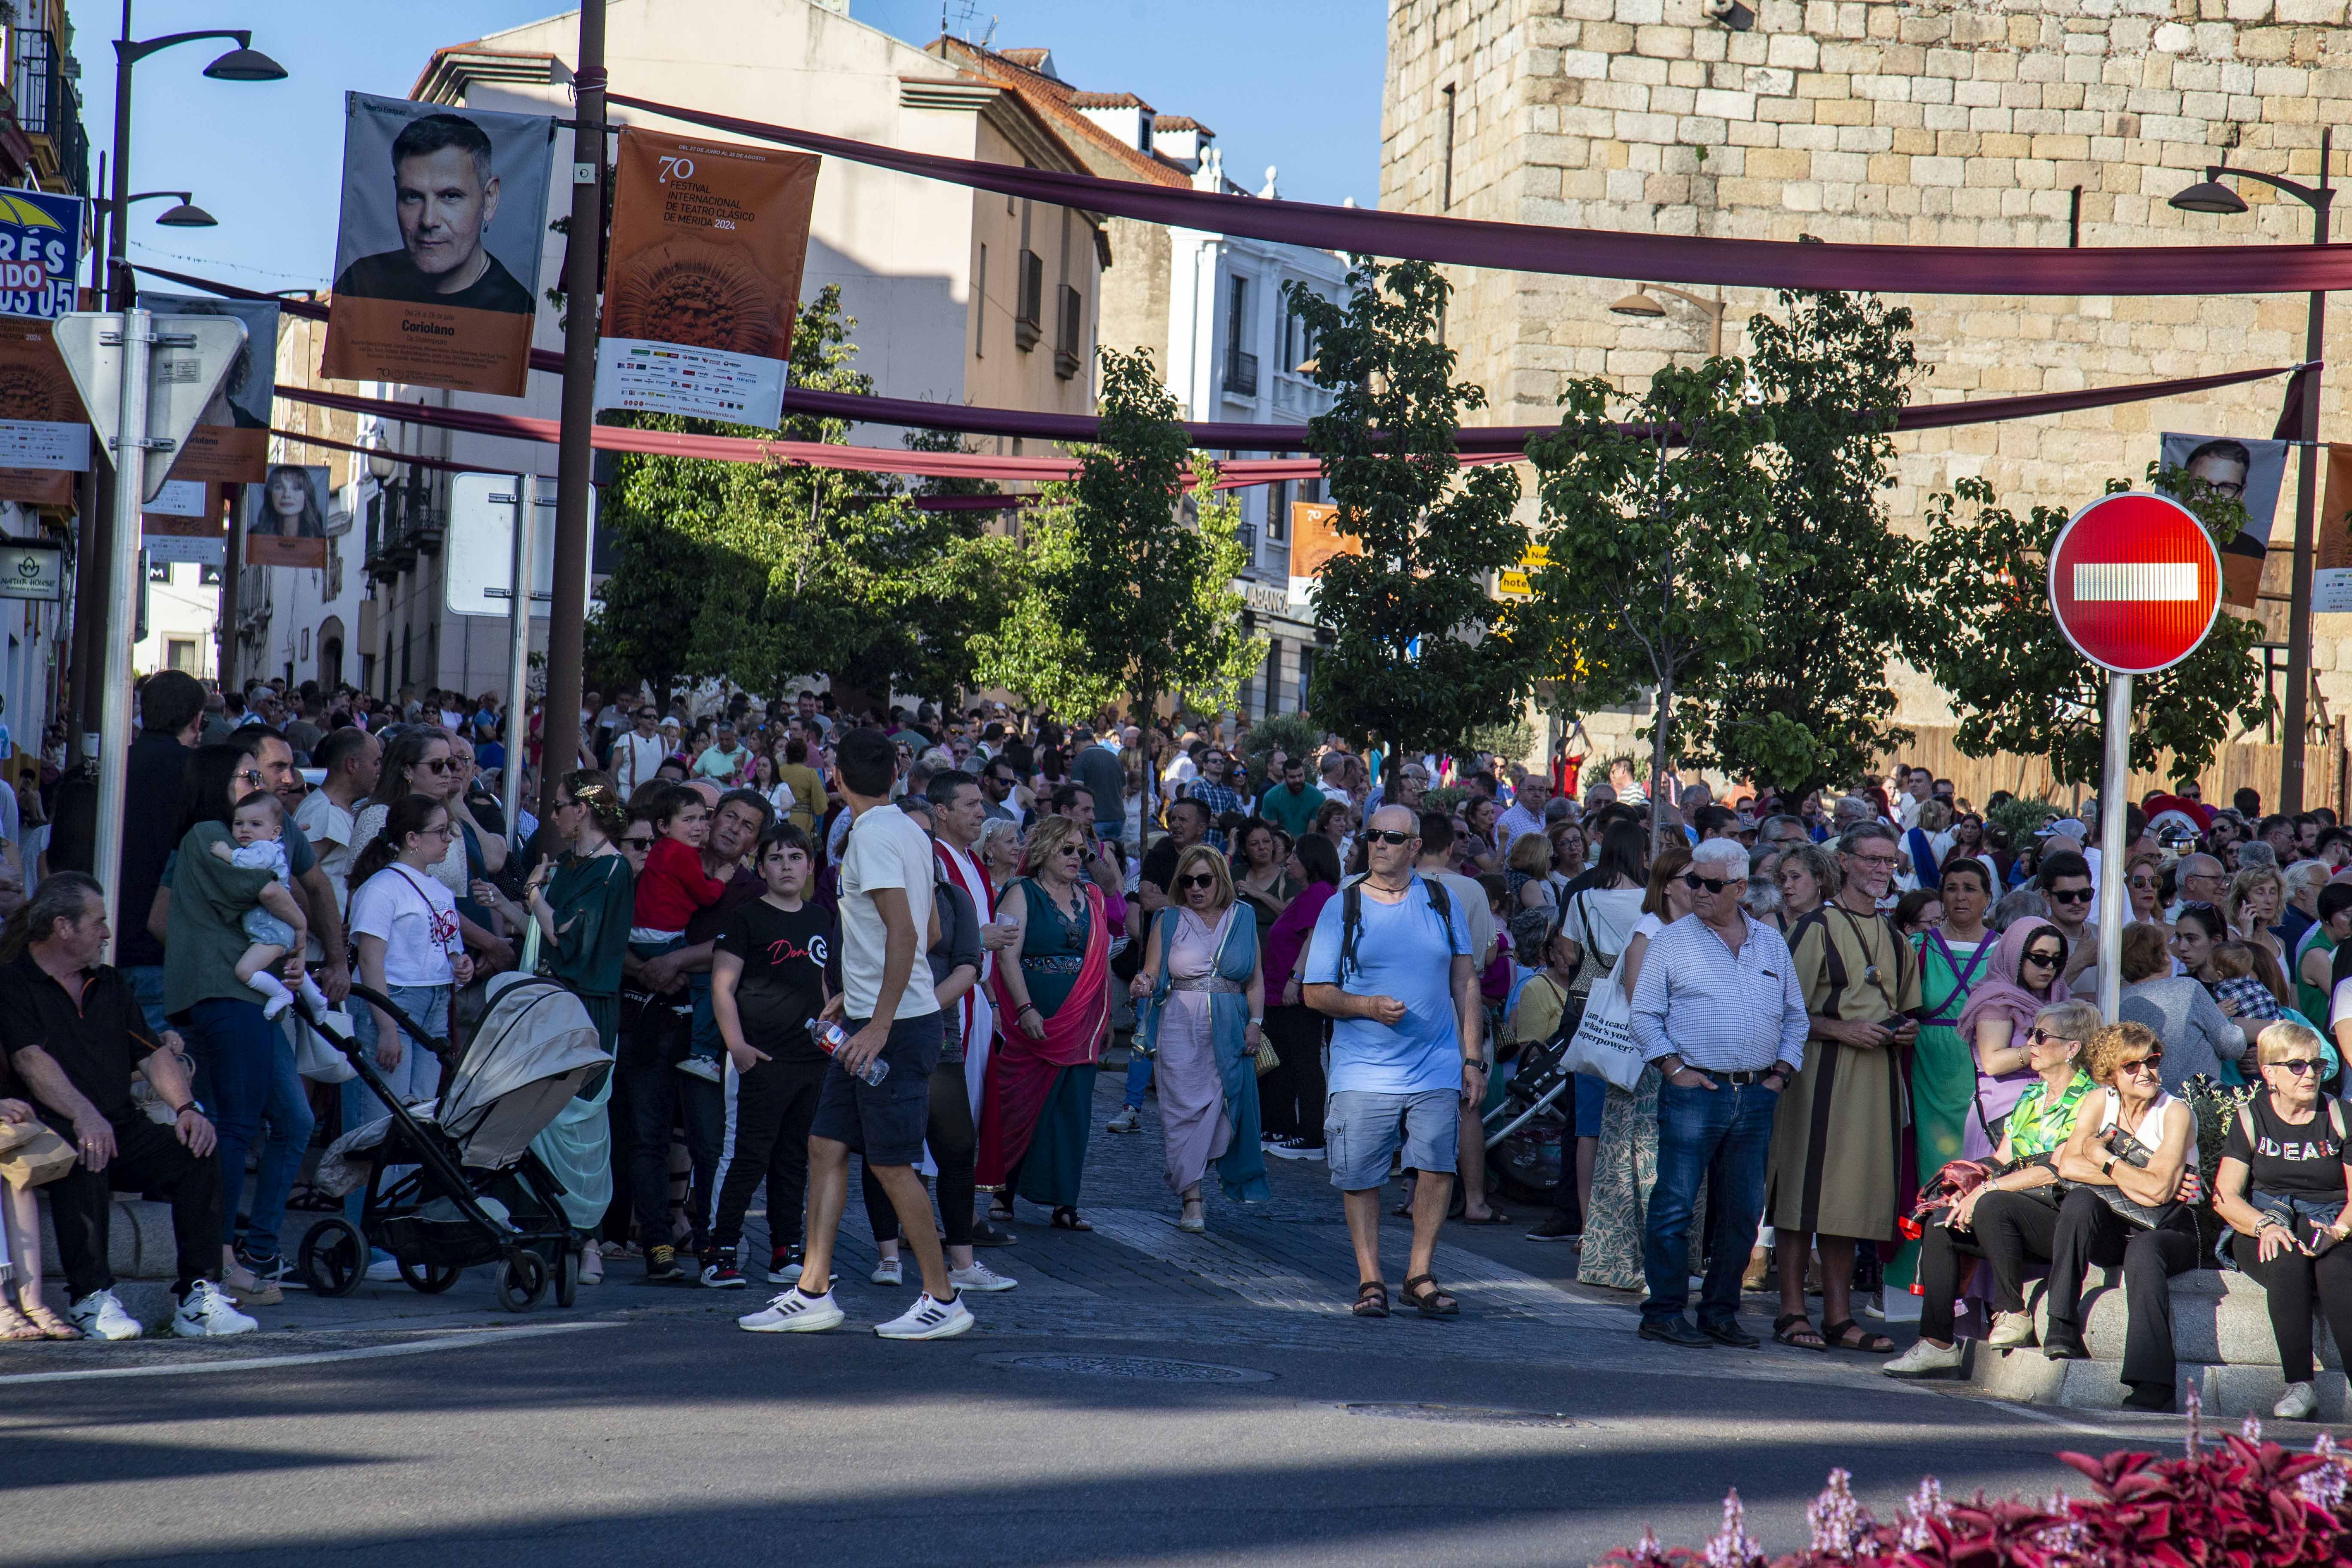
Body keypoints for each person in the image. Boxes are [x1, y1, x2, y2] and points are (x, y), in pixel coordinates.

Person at [738, 728, 968, 1339]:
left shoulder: (870, 836)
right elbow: (929, 934)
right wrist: (858, 996)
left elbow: (905, 934)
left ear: (835, 778)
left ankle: (942, 1298)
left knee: (893, 1166)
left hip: (894, 1027)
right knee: (825, 1146)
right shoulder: (912, 832)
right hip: (877, 1016)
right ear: (896, 776)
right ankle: (813, 1288)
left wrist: (882, 1017)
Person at [0, 874, 255, 1340]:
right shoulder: (15, 982)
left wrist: (187, 1109)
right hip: (54, 1128)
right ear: (63, 926)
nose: (107, 933)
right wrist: (84, 1113)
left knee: (197, 1150)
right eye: (98, 922)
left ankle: (199, 1297)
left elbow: (152, 1052)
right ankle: (89, 1299)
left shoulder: (110, 982)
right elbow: (30, 1059)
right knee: (85, 1149)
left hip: (120, 1122)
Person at [1627, 839, 1807, 1348]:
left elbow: (1796, 1015)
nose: (1697, 891)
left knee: (1743, 1212)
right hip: (1694, 1091)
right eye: (1692, 882)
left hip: (1754, 1094)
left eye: (1710, 884)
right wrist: (1673, 1067)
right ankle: (1662, 1311)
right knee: (1675, 1206)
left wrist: (1781, 1074)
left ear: (1741, 888)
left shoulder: (1770, 942)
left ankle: (1720, 1312)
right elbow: (1644, 1014)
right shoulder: (1671, 940)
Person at [1302, 804, 1480, 1318]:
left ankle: (1419, 1273)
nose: (1379, 844)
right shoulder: (1344, 904)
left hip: (1436, 1062)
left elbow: (1465, 982)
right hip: (1363, 1068)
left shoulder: (1442, 900)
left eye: (1392, 837)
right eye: (1373, 835)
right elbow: (1315, 992)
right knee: (1360, 1174)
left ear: (1415, 847)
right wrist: (1366, 1007)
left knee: (1436, 1166)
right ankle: (1370, 1278)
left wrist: (1472, 1059)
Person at [163, 744, 315, 1305]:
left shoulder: (217, 835)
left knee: (290, 1121)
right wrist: (299, 934)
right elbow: (263, 890)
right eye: (246, 775)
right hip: (226, 994)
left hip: (241, 992)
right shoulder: (208, 833)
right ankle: (223, 1258)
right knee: (235, 1126)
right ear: (217, 782)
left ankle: (252, 1255)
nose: (255, 782)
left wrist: (291, 949)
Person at [1884, 998, 2098, 1379]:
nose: (2030, 1042)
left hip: (2060, 1216)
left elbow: (2058, 1170)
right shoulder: (2032, 1095)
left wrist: (1986, 1190)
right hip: (2008, 1212)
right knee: (1940, 1222)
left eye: (2042, 1035)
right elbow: (2002, 1158)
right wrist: (1964, 1179)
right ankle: (1937, 1342)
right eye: (2032, 1032)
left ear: (2072, 1048)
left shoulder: (2091, 1099)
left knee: (1992, 1203)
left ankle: (2012, 1311)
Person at [1768, 823, 1921, 1354]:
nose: (1882, 870)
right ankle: (1791, 1310)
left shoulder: (1898, 940)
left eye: (1889, 862)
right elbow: (1780, 1010)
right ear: (1847, 863)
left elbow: (1908, 1008)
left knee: (1851, 1198)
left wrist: (1905, 1029)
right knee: (1802, 1195)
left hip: (1874, 1080)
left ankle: (1839, 1315)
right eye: (1872, 860)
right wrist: (1840, 1029)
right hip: (1818, 1075)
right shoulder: (1814, 928)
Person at [856, 797, 1015, 1296]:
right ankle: (887, 1256)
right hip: (878, 1030)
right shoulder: (873, 892)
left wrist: (920, 1008)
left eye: (926, 837)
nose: (918, 845)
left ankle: (963, 1262)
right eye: (911, 834)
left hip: (936, 1030)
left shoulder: (954, 897)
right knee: (886, 1145)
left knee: (956, 1145)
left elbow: (969, 963)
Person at [477, 771, 632, 1283]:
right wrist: (505, 905)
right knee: (534, 1119)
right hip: (549, 1003)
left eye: (561, 805)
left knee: (578, 1123)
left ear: (582, 811)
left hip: (583, 1011)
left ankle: (587, 1240)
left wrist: (534, 892)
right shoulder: (566, 865)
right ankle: (538, 1236)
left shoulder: (613, 872)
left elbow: (565, 935)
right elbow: (541, 933)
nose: (553, 815)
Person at [2042, 1021, 2203, 1412]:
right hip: (2116, 1221)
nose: (2146, 1072)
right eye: (2132, 1066)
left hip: (2169, 1228)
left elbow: (2162, 1194)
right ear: (2111, 1073)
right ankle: (2061, 1326)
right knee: (2079, 1202)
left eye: (2153, 1060)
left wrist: (2105, 1157)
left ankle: (2153, 1386)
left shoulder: (2175, 1112)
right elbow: (2066, 1165)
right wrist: (2135, 1178)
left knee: (2144, 1252)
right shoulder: (2100, 1102)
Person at [2208, 1019, 2352, 1419]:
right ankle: (2300, 1386)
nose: (2309, 1074)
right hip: (2266, 1217)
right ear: (2269, 1072)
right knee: (2283, 1256)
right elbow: (2225, 1196)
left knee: (2336, 1269)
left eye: (2317, 1065)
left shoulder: (2340, 1115)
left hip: (2334, 1219)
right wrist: (2264, 1226)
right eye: (2297, 1066)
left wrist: (2339, 1231)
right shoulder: (2251, 1117)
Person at [709, 826, 833, 1289]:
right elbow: (723, 988)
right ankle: (720, 1250)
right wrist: (737, 1047)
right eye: (776, 858)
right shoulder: (747, 919)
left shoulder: (821, 919)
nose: (786, 866)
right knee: (749, 1157)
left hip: (812, 1061)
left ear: (809, 866)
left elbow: (829, 988)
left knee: (794, 1159)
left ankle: (786, 1250)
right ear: (760, 869)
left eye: (795, 857)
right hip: (761, 1059)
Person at [976, 814, 1113, 1231]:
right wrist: (1024, 1008)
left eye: (1081, 851)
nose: (1077, 858)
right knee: (1021, 1105)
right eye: (1067, 849)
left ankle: (1065, 1202)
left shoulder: (1091, 896)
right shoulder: (1020, 893)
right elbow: (1006, 956)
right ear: (1045, 851)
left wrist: (1103, 1018)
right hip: (1033, 1018)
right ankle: (1004, 1190)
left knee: (1073, 1109)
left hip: (1082, 1021)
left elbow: (1101, 959)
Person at [1131, 844, 1271, 1233]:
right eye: (1187, 880)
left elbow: (1255, 980)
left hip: (1230, 1027)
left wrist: (1256, 1022)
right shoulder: (1169, 919)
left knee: (1227, 1108)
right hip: (1179, 1025)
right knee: (1179, 1115)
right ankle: (1192, 1198)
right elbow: (1153, 972)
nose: (1195, 888)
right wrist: (1142, 984)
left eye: (1204, 880)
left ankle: (1200, 1172)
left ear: (1220, 881)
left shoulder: (1243, 917)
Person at [1577, 843, 1695, 1288]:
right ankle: (1642, 1265)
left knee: (1672, 1166)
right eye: (1693, 881)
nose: (1702, 889)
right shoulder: (1650, 930)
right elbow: (1639, 998)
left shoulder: (1694, 929)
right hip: (1651, 1066)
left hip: (1680, 1061)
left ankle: (1670, 1262)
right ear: (1666, 887)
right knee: (1646, 1166)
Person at [331, 111, 536, 312]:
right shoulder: (361, 283)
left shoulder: (515, 309)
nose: (428, 221)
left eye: (450, 196)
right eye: (412, 196)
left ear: (489, 199)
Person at [1956, 916, 2073, 1160]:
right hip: (2005, 1113)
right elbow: (1992, 1062)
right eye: (2040, 959)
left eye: (2057, 960)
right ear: (2016, 956)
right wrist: (2048, 1049)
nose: (2049, 967)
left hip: (2048, 1109)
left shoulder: (2058, 995)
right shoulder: (1996, 1000)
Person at [1509, 909, 1592, 1244]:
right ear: (1549, 953)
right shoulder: (1536, 989)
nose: (1564, 957)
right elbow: (1527, 1048)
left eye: (1568, 950)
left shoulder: (1584, 989)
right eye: (1557, 950)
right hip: (1550, 1071)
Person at [210, 793, 329, 1021]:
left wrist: (226, 853)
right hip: (275, 927)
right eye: (239, 823)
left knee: (245, 971)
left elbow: (251, 863)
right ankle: (315, 997)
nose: (245, 830)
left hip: (272, 930)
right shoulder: (261, 847)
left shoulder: (265, 849)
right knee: (293, 970)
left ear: (275, 833)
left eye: (255, 824)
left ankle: (280, 994)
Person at [1913, 860, 1994, 1187]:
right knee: (1928, 1168)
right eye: (1952, 888)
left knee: (1978, 1169)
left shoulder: (2005, 951)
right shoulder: (1918, 948)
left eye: (1970, 889)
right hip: (1928, 1074)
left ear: (1988, 898)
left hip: (1985, 1072)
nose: (1960, 897)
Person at [1261, 835, 1340, 1161]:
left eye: (1295, 856)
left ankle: (1309, 1134)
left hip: (1294, 994)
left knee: (1304, 1063)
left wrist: (1296, 979)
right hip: (1280, 993)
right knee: (1284, 1063)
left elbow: (1313, 939)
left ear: (1311, 861)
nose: (1289, 861)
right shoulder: (1308, 894)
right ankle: (1282, 1126)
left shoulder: (1318, 893)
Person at [2122, 913, 2249, 1090]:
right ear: (2165, 956)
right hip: (2195, 1107)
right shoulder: (2187, 989)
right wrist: (2221, 1021)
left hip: (2142, 1106)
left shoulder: (2116, 1002)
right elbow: (2232, 1046)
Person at [295, 725, 381, 924]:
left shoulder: (338, 809)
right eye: (376, 763)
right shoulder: (320, 812)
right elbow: (295, 881)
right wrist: (329, 934)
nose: (379, 770)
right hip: (318, 953)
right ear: (352, 765)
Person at [1257, 754, 1323, 842]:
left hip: (1308, 845)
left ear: (1304, 773)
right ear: (1285, 777)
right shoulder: (1271, 797)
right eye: (1293, 777)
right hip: (1281, 845)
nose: (1298, 780)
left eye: (1300, 775)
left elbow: (1311, 833)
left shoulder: (1318, 797)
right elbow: (1275, 832)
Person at [250, 464, 324, 538]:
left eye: (296, 488)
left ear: (307, 495)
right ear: (270, 495)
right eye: (279, 487)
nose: (287, 495)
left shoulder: (318, 538)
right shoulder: (254, 535)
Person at [611, 705, 668, 799]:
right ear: (639, 720)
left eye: (655, 717)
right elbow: (614, 768)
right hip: (628, 796)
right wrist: (614, 792)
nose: (652, 719)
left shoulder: (663, 741)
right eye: (648, 717)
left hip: (655, 796)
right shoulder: (626, 739)